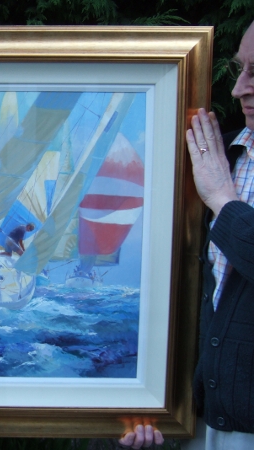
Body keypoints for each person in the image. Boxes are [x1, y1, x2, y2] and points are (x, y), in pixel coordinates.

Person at [121, 19, 254, 450]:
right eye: (239, 70)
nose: (238, 89)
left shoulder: (213, 176)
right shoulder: (214, 155)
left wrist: (222, 199)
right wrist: (143, 402)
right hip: (198, 424)